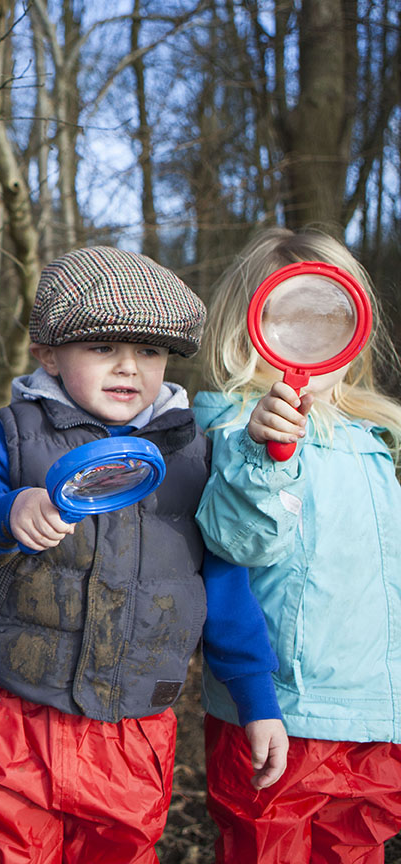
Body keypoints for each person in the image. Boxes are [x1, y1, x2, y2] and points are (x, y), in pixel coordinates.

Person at [0, 246, 287, 864]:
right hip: (15, 711)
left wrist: (257, 700)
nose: (128, 367)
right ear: (49, 355)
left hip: (132, 724)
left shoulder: (195, 453)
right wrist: (9, 512)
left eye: (150, 352)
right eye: (103, 347)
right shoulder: (16, 433)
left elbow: (226, 586)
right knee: (6, 851)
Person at [194, 227, 401, 862]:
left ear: (355, 330)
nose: (312, 340)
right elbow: (239, 543)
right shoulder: (234, 429)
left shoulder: (376, 437)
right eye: (292, 320)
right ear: (249, 331)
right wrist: (263, 454)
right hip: (283, 713)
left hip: (374, 714)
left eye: (328, 320)